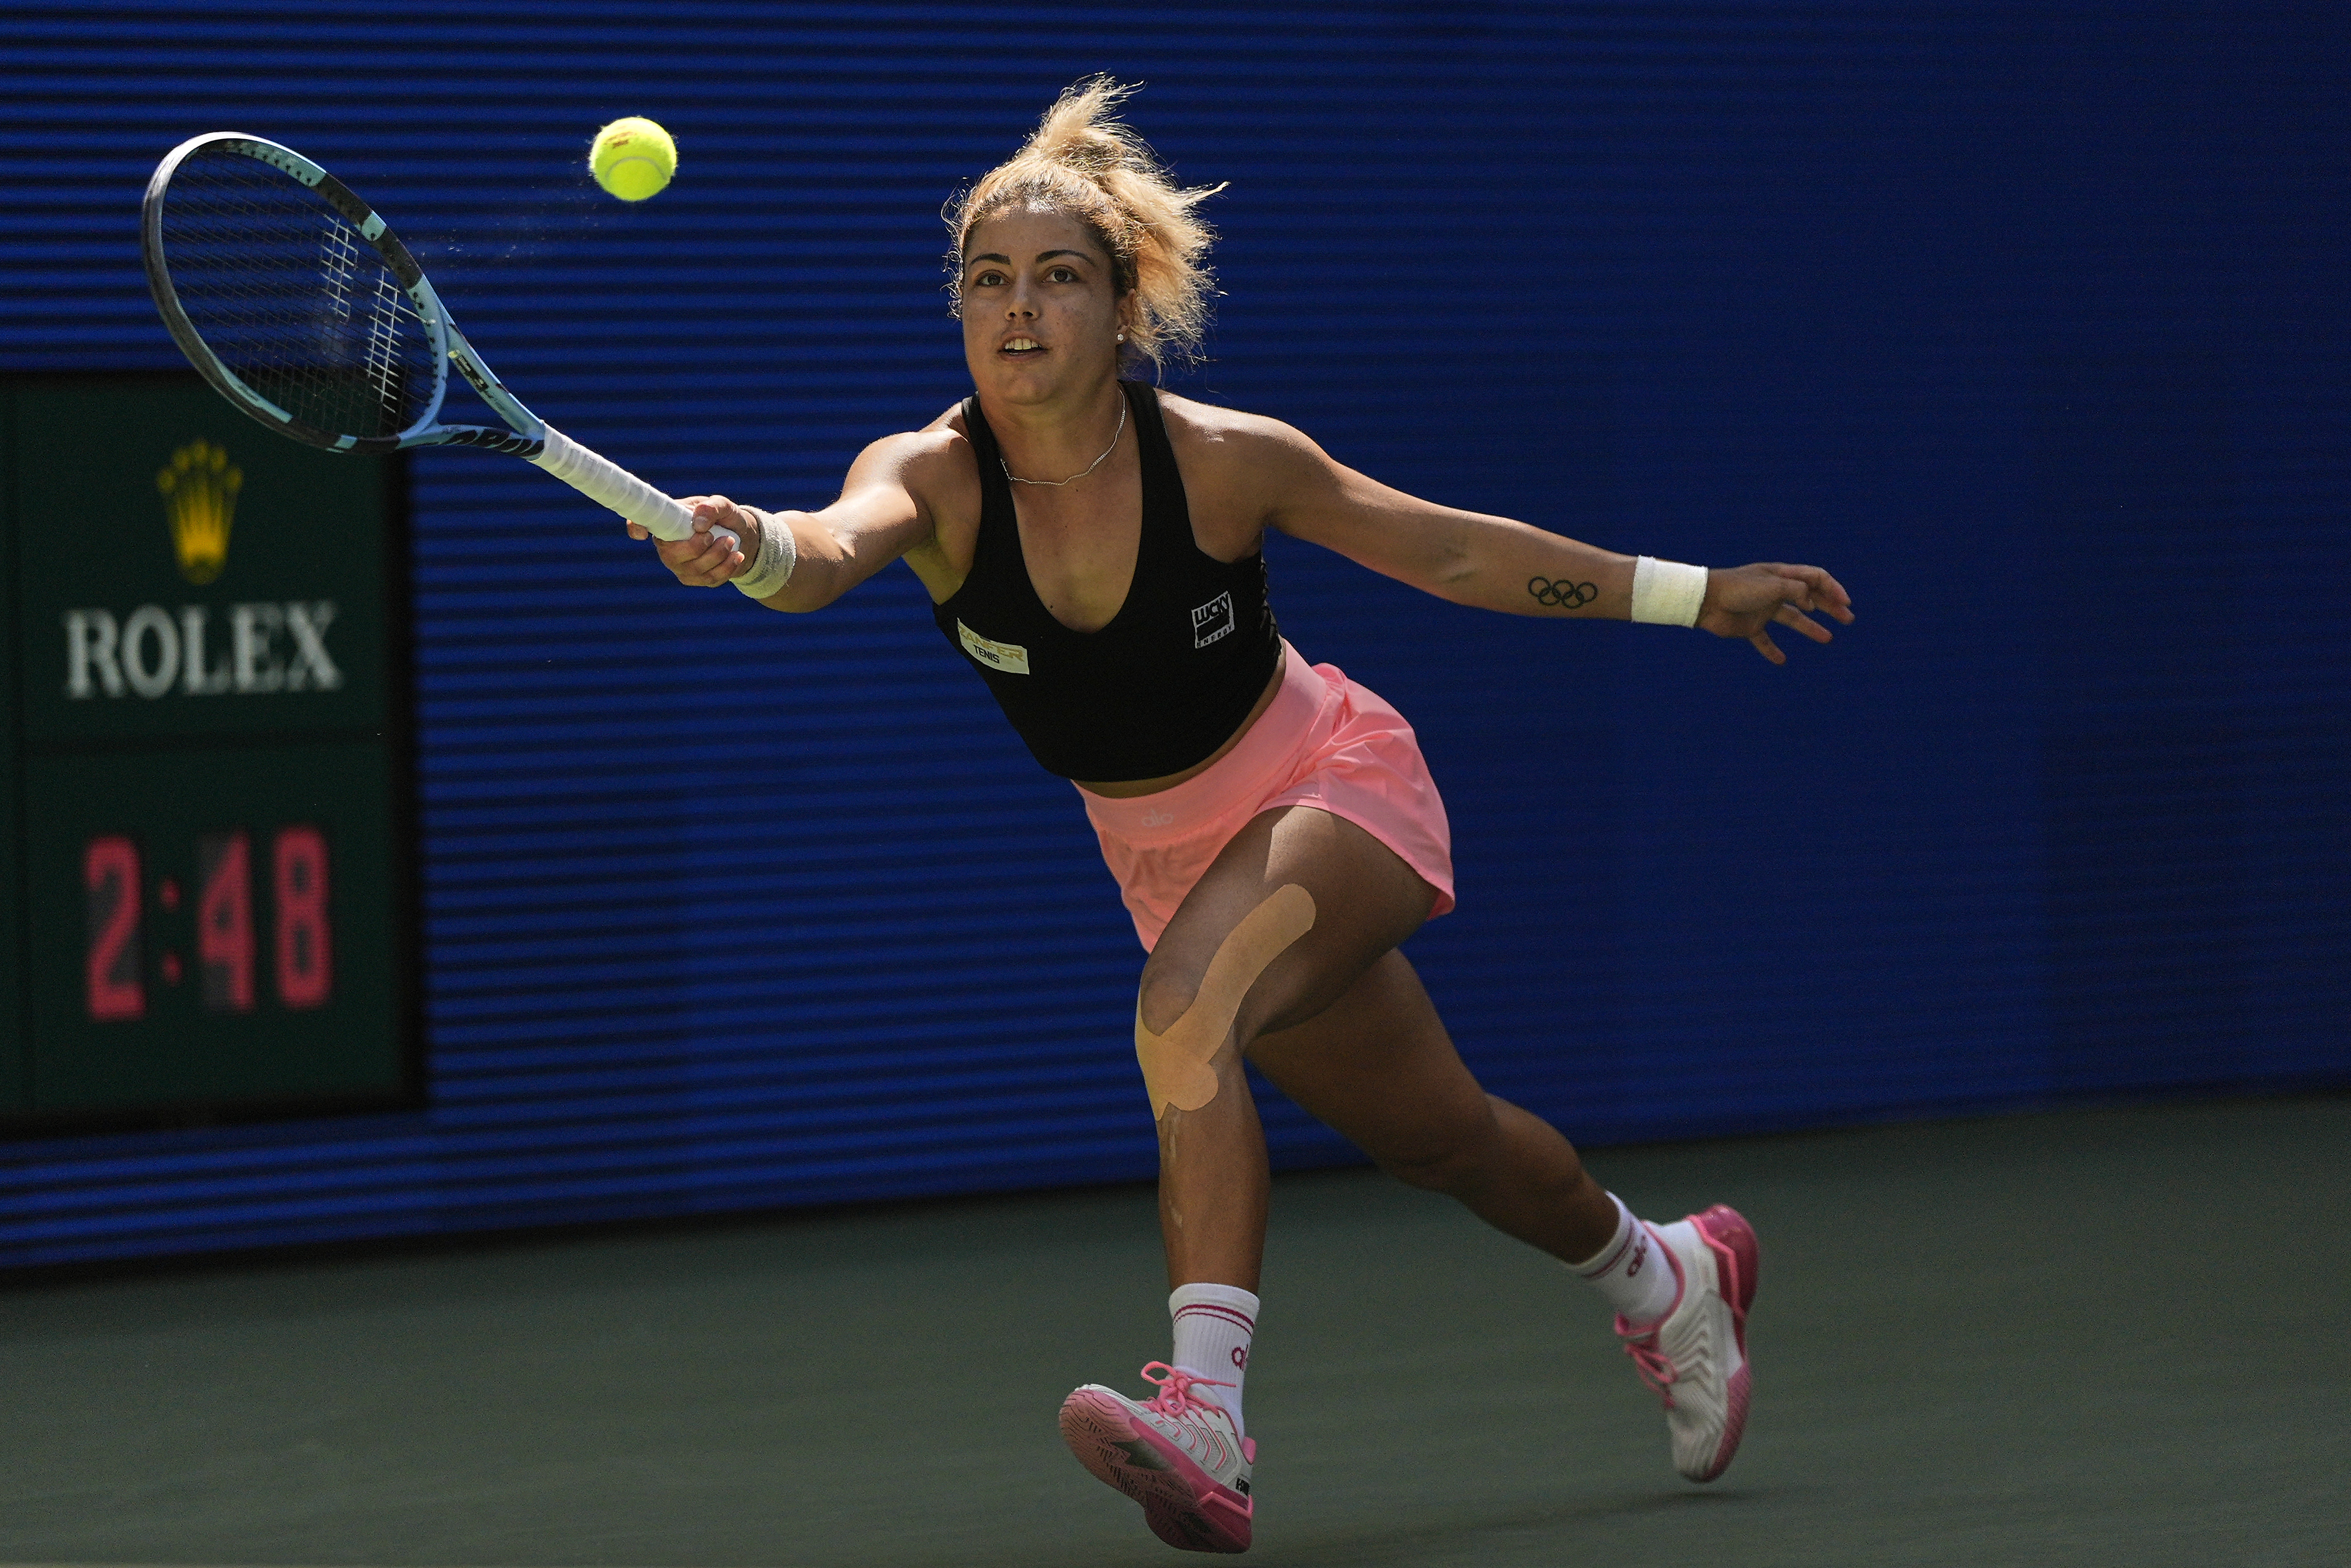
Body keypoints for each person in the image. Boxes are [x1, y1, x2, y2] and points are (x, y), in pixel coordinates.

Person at [629, 77, 1852, 1556]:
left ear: (1123, 309)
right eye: (988, 282)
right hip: (1166, 860)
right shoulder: (930, 477)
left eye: (1059, 280)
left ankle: (1207, 1414)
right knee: (1444, 1139)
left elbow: (1454, 555)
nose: (1019, 311)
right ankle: (1669, 1273)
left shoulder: (1218, 457)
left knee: (1182, 1008)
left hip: (1331, 789)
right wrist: (753, 545)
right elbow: (828, 550)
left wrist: (1697, 592)